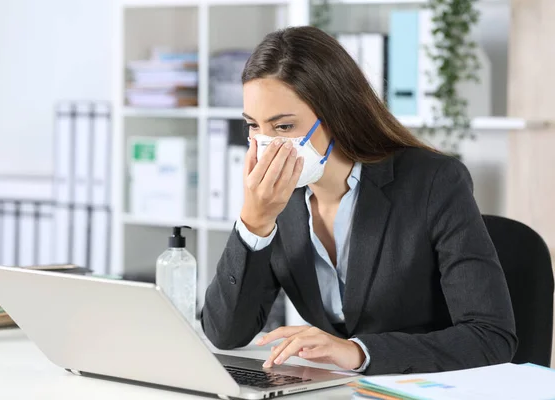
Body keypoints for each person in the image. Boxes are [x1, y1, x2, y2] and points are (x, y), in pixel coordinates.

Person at [201, 26, 517, 375]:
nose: (266, 145)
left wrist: (356, 352)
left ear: (337, 115)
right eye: (253, 127)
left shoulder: (434, 181)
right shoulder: (278, 202)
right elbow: (224, 333)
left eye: (284, 127)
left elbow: (491, 337)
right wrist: (254, 222)